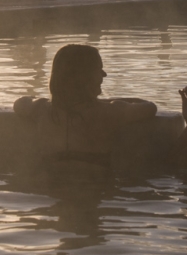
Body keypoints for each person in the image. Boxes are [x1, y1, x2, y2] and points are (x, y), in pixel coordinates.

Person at [13, 44, 158, 168]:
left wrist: (60, 98)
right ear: (84, 77)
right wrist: (112, 101)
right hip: (96, 190)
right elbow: (150, 107)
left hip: (52, 191)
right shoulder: (110, 111)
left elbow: (19, 103)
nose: (104, 74)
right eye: (99, 69)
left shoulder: (41, 109)